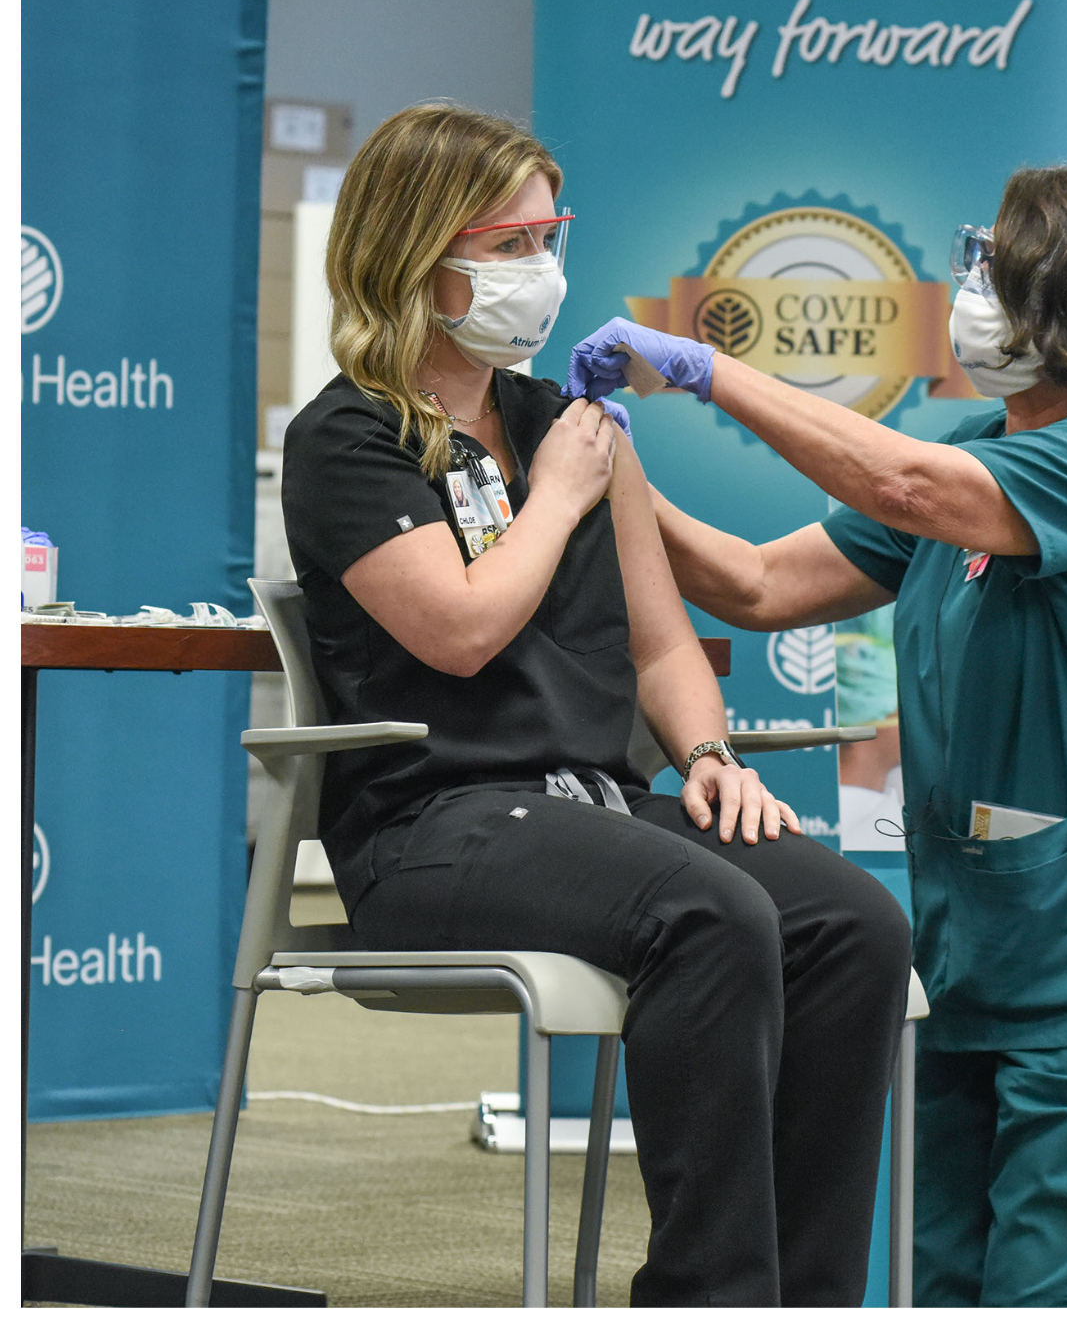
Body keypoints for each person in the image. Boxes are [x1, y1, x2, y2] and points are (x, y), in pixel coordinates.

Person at [563, 164, 1067, 1307]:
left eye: (998, 269)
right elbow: (752, 584)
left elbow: (908, 483)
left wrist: (705, 368)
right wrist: (613, 462)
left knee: (1055, 1295)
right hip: (979, 951)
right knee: (942, 1285)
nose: (971, 290)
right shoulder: (986, 440)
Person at [278, 102, 912, 1306]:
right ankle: (707, 1293)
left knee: (852, 924)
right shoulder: (348, 440)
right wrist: (559, 496)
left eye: (548, 237)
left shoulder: (564, 426)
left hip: (594, 808)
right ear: (418, 254)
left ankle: (807, 1292)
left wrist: (710, 756)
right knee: (711, 912)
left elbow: (666, 638)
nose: (541, 271)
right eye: (507, 244)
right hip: (433, 827)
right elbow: (460, 633)